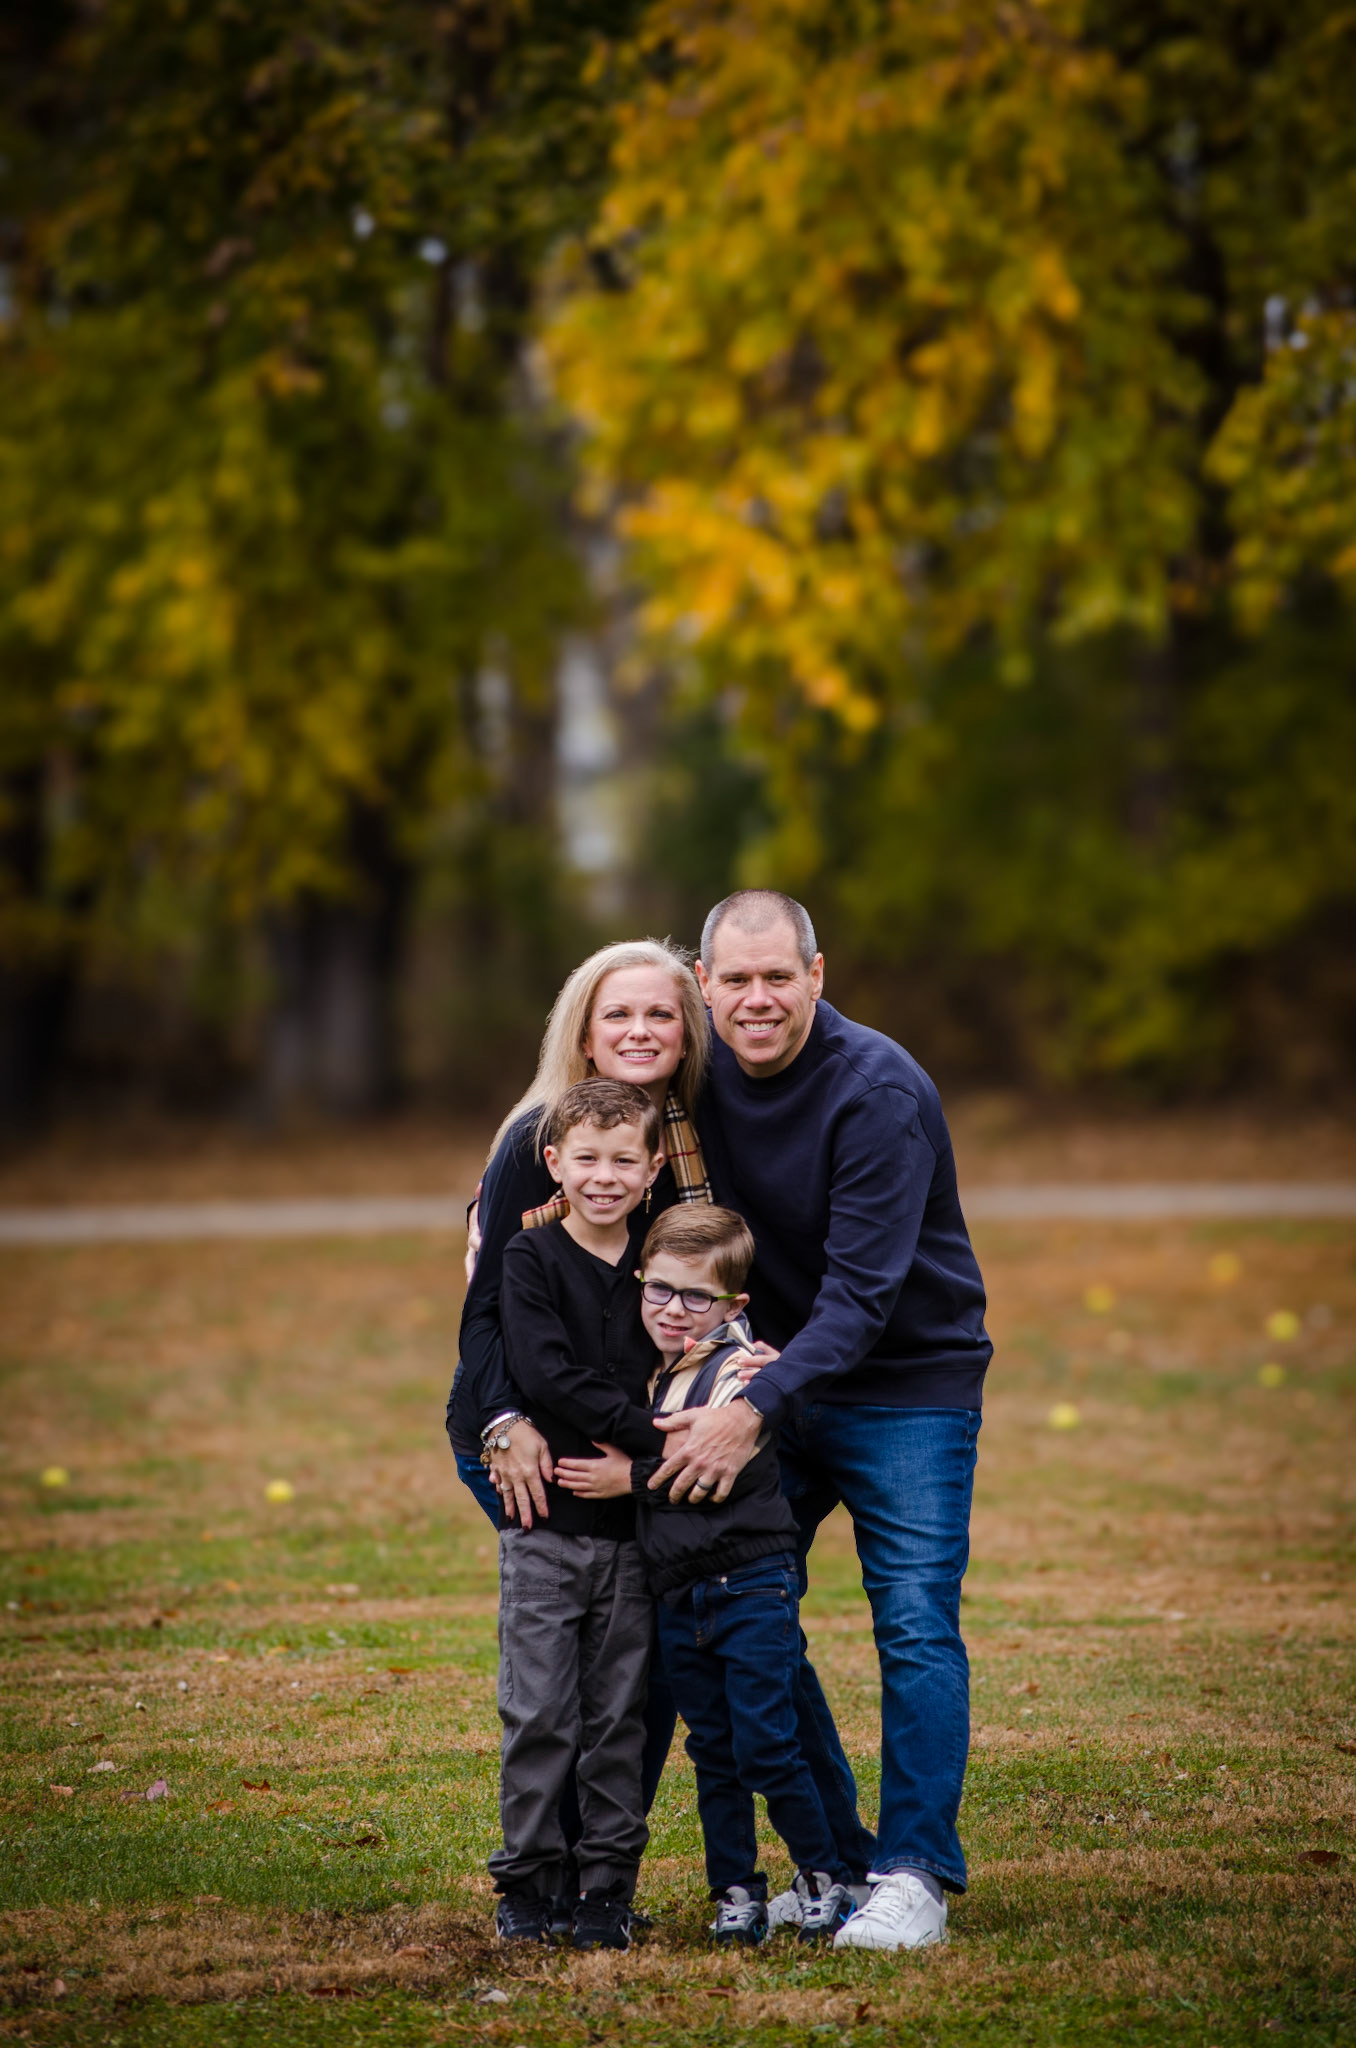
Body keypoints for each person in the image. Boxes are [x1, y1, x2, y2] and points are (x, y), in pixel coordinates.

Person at [649, 890, 992, 1952]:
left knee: (914, 1620)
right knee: (741, 1606)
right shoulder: (695, 1084)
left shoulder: (877, 1089)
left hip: (908, 1385)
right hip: (778, 1378)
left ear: (817, 976)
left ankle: (915, 1874)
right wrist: (490, 1205)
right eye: (736, 979)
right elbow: (578, 1127)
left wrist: (749, 1407)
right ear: (705, 986)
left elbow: (863, 1297)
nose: (757, 999)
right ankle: (843, 1860)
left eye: (777, 977)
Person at [445, 939, 714, 1861]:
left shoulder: (690, 1143)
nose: (640, 1030)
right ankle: (544, 1867)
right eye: (617, 1014)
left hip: (637, 1440)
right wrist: (504, 1424)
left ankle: (599, 1870)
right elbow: (488, 1311)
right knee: (559, 1676)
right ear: (585, 1035)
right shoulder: (539, 1143)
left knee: (637, 1668)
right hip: (534, 1435)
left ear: (689, 1031)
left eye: (661, 1013)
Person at [557, 1205, 857, 1948]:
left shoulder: (739, 1371)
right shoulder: (648, 1366)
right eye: (659, 1289)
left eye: (697, 1297)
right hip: (678, 1593)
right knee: (714, 1752)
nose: (673, 1309)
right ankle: (734, 1891)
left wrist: (628, 1479)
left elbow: (702, 1468)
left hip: (749, 1585)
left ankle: (825, 1875)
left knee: (766, 1743)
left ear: (733, 1305)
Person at [489, 1077, 670, 1952]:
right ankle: (528, 1883)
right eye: (588, 1159)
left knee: (617, 1722)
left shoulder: (660, 1266)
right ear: (555, 1164)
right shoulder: (530, 1258)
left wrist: (646, 1467)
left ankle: (606, 1889)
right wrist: (656, 1439)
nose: (605, 1177)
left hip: (632, 1542)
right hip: (544, 1537)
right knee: (539, 1714)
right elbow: (544, 1373)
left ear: (653, 1168)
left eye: (624, 1161)